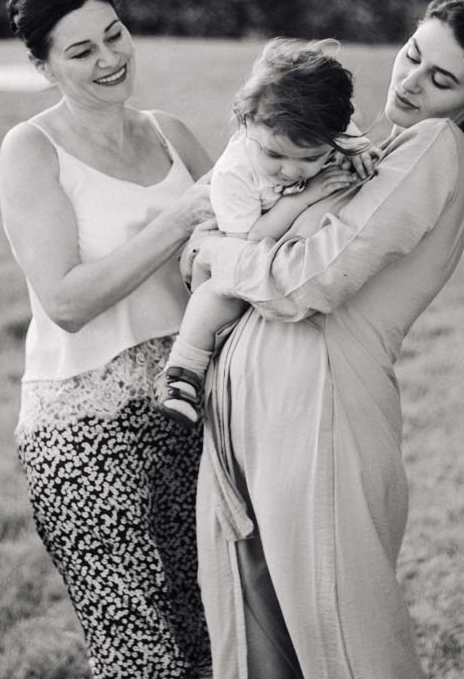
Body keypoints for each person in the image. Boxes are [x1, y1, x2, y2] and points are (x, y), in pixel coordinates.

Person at [188, 0, 464, 679]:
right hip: (257, 406)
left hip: (320, 407)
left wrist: (215, 252)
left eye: (441, 80)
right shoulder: (363, 150)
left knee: (349, 662)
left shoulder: (434, 150)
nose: (409, 82)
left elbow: (309, 280)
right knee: (264, 655)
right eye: (413, 54)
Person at [0, 0, 214, 679]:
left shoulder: (173, 135)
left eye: (113, 35)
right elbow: (65, 300)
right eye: (80, 51)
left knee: (190, 660)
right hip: (82, 433)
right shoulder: (33, 149)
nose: (109, 59)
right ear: (44, 66)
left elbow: (251, 242)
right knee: (136, 678)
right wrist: (179, 219)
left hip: (188, 416)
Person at [160, 37, 378, 426]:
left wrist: (360, 150)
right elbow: (243, 248)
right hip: (232, 250)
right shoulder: (235, 172)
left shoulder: (328, 129)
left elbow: (349, 133)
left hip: (278, 260)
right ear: (246, 122)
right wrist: (303, 197)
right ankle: (183, 372)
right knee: (220, 294)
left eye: (311, 158)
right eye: (275, 155)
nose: (292, 171)